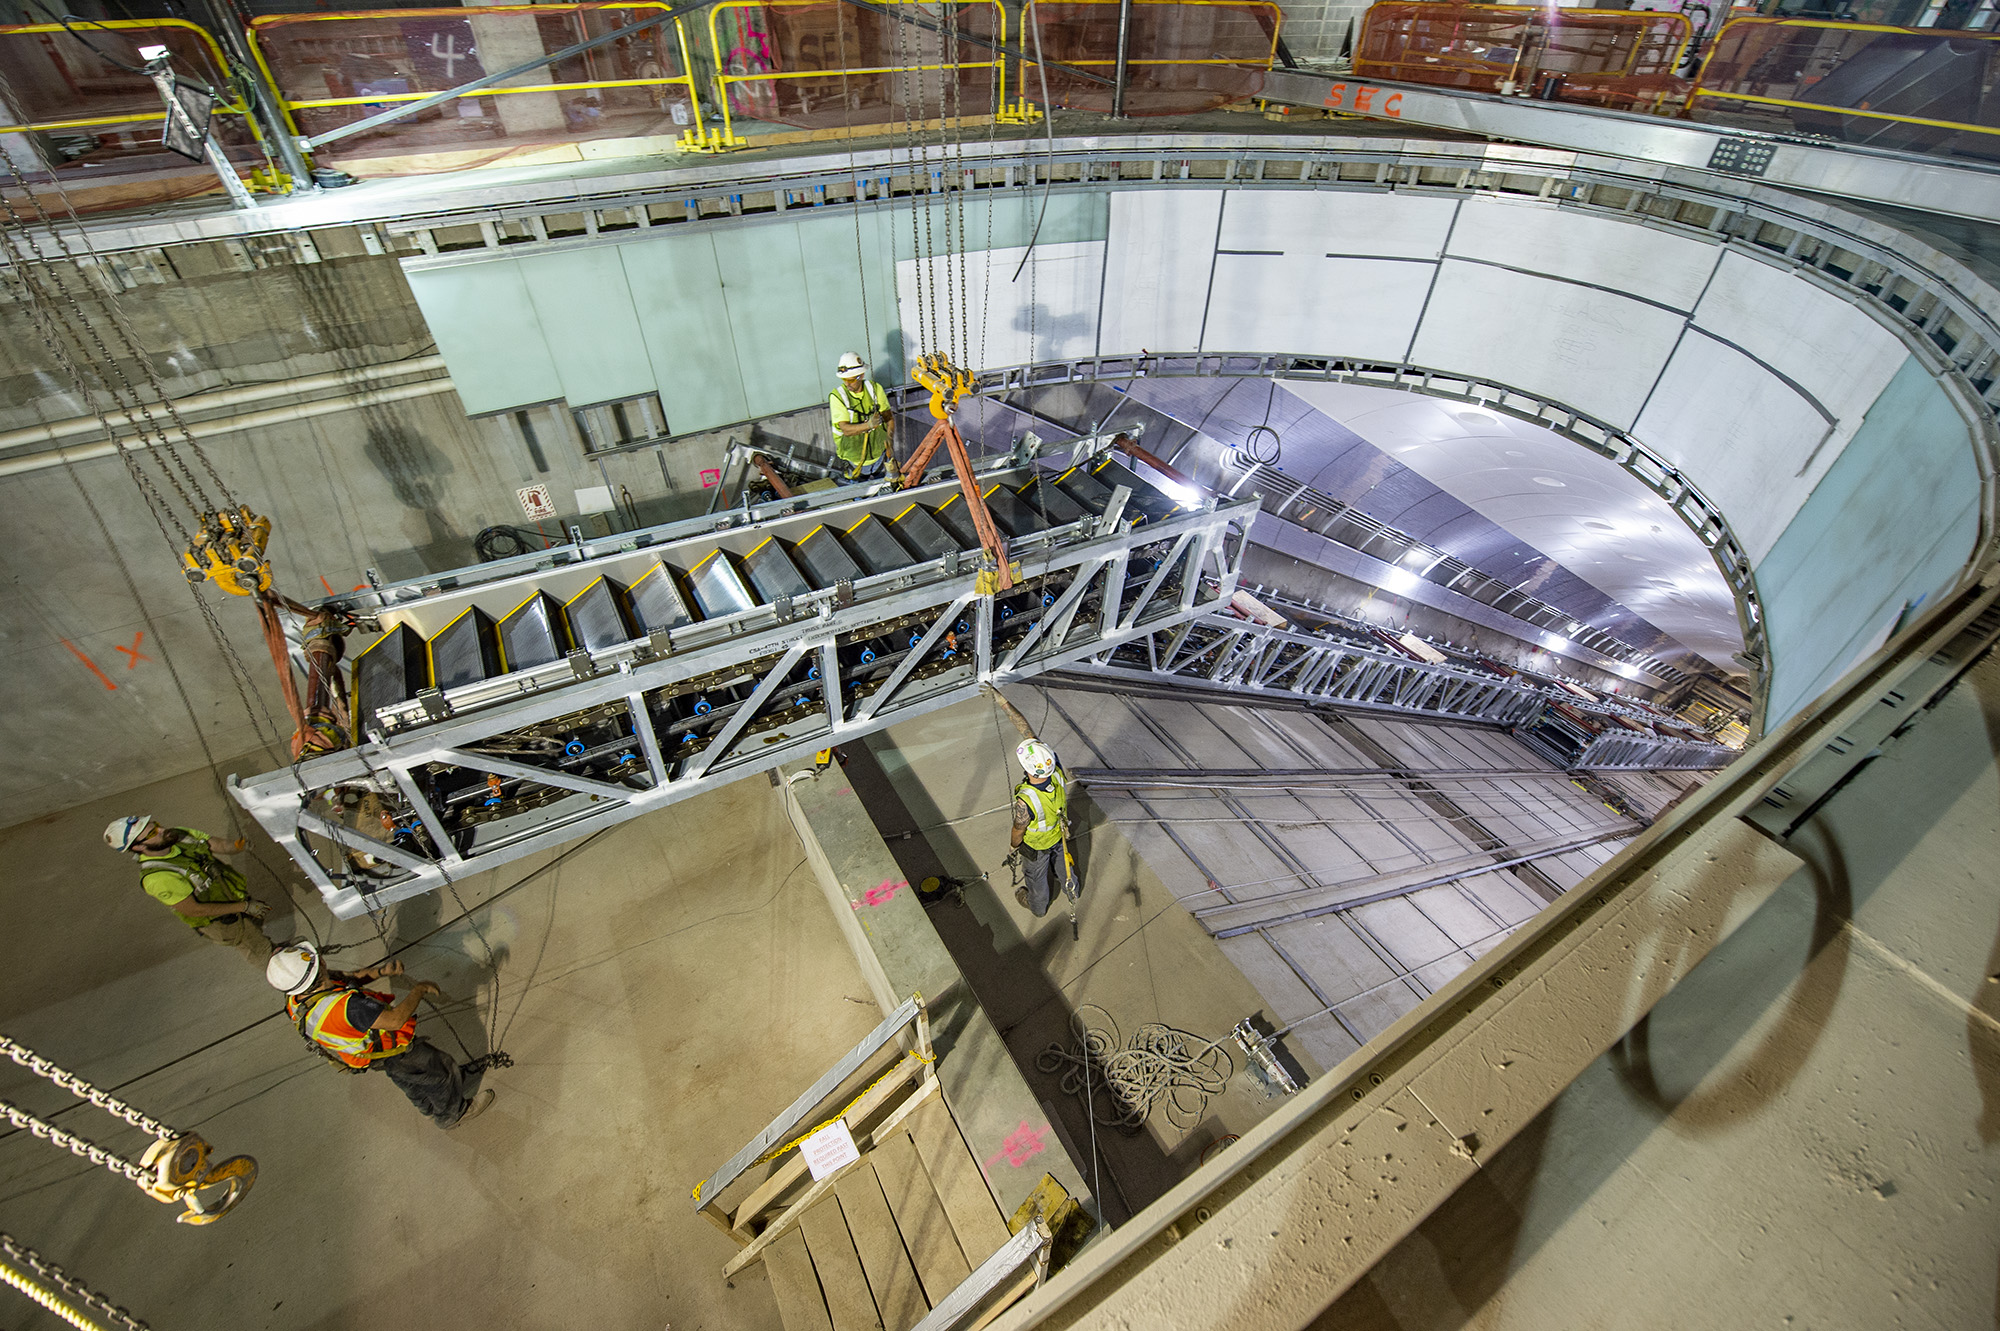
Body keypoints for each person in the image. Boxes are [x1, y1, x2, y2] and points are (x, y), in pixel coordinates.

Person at [267, 940, 495, 1131]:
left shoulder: (296, 1001)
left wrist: (382, 972)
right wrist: (419, 990)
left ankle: (428, 1105)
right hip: (388, 1047)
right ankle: (452, 1113)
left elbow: (351, 978)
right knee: (439, 1069)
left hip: (364, 1053)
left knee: (406, 1078)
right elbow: (396, 1020)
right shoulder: (346, 1007)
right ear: (320, 965)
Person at [105, 815, 277, 967]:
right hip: (222, 921)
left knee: (256, 932)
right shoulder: (158, 878)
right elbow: (195, 910)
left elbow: (216, 844)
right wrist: (244, 907)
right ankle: (290, 982)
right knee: (258, 949)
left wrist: (237, 846)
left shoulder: (178, 836)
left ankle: (270, 949)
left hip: (234, 898)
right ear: (138, 848)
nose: (162, 830)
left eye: (155, 825)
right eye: (152, 834)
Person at [983, 684, 1078, 918]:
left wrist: (1013, 847)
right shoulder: (1054, 768)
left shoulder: (1027, 800)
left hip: (1037, 846)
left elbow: (1019, 828)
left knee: (1036, 880)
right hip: (1059, 834)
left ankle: (1037, 906)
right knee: (1065, 866)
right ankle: (1072, 892)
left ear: (1026, 767)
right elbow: (1027, 731)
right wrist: (1003, 701)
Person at [828, 351, 899, 486]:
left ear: (861, 376)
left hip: (879, 456)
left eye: (851, 380)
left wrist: (889, 444)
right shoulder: (838, 397)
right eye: (844, 380)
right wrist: (868, 425)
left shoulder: (875, 389)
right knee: (859, 494)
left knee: (883, 488)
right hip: (853, 459)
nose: (847, 384)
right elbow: (846, 429)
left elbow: (889, 418)